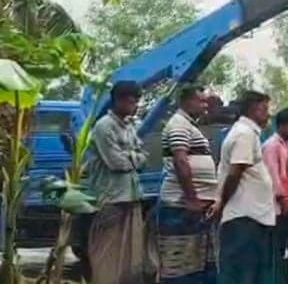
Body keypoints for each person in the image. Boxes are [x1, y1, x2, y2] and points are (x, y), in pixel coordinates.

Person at [85, 81, 154, 284]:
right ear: (119, 101)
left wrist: (132, 157)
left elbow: (144, 157)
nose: (135, 106)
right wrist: (135, 158)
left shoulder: (130, 125)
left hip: (131, 195)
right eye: (132, 102)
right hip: (111, 198)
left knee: (130, 256)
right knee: (107, 253)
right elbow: (116, 162)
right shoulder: (104, 126)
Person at [157, 84, 218, 284]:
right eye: (200, 101)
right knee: (180, 265)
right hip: (181, 206)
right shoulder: (178, 125)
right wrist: (192, 199)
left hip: (194, 206)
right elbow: (180, 161)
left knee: (196, 262)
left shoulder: (189, 126)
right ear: (186, 101)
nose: (205, 106)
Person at [214, 91, 277, 284]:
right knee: (242, 275)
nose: (268, 115)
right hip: (244, 218)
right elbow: (236, 171)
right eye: (265, 109)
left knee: (249, 274)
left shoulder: (248, 133)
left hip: (251, 218)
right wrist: (222, 203)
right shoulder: (244, 134)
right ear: (253, 109)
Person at [262, 108, 288, 284]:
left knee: (281, 252)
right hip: (277, 210)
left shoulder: (284, 146)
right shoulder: (272, 147)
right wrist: (283, 201)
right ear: (282, 126)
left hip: (286, 209)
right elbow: (273, 177)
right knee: (274, 252)